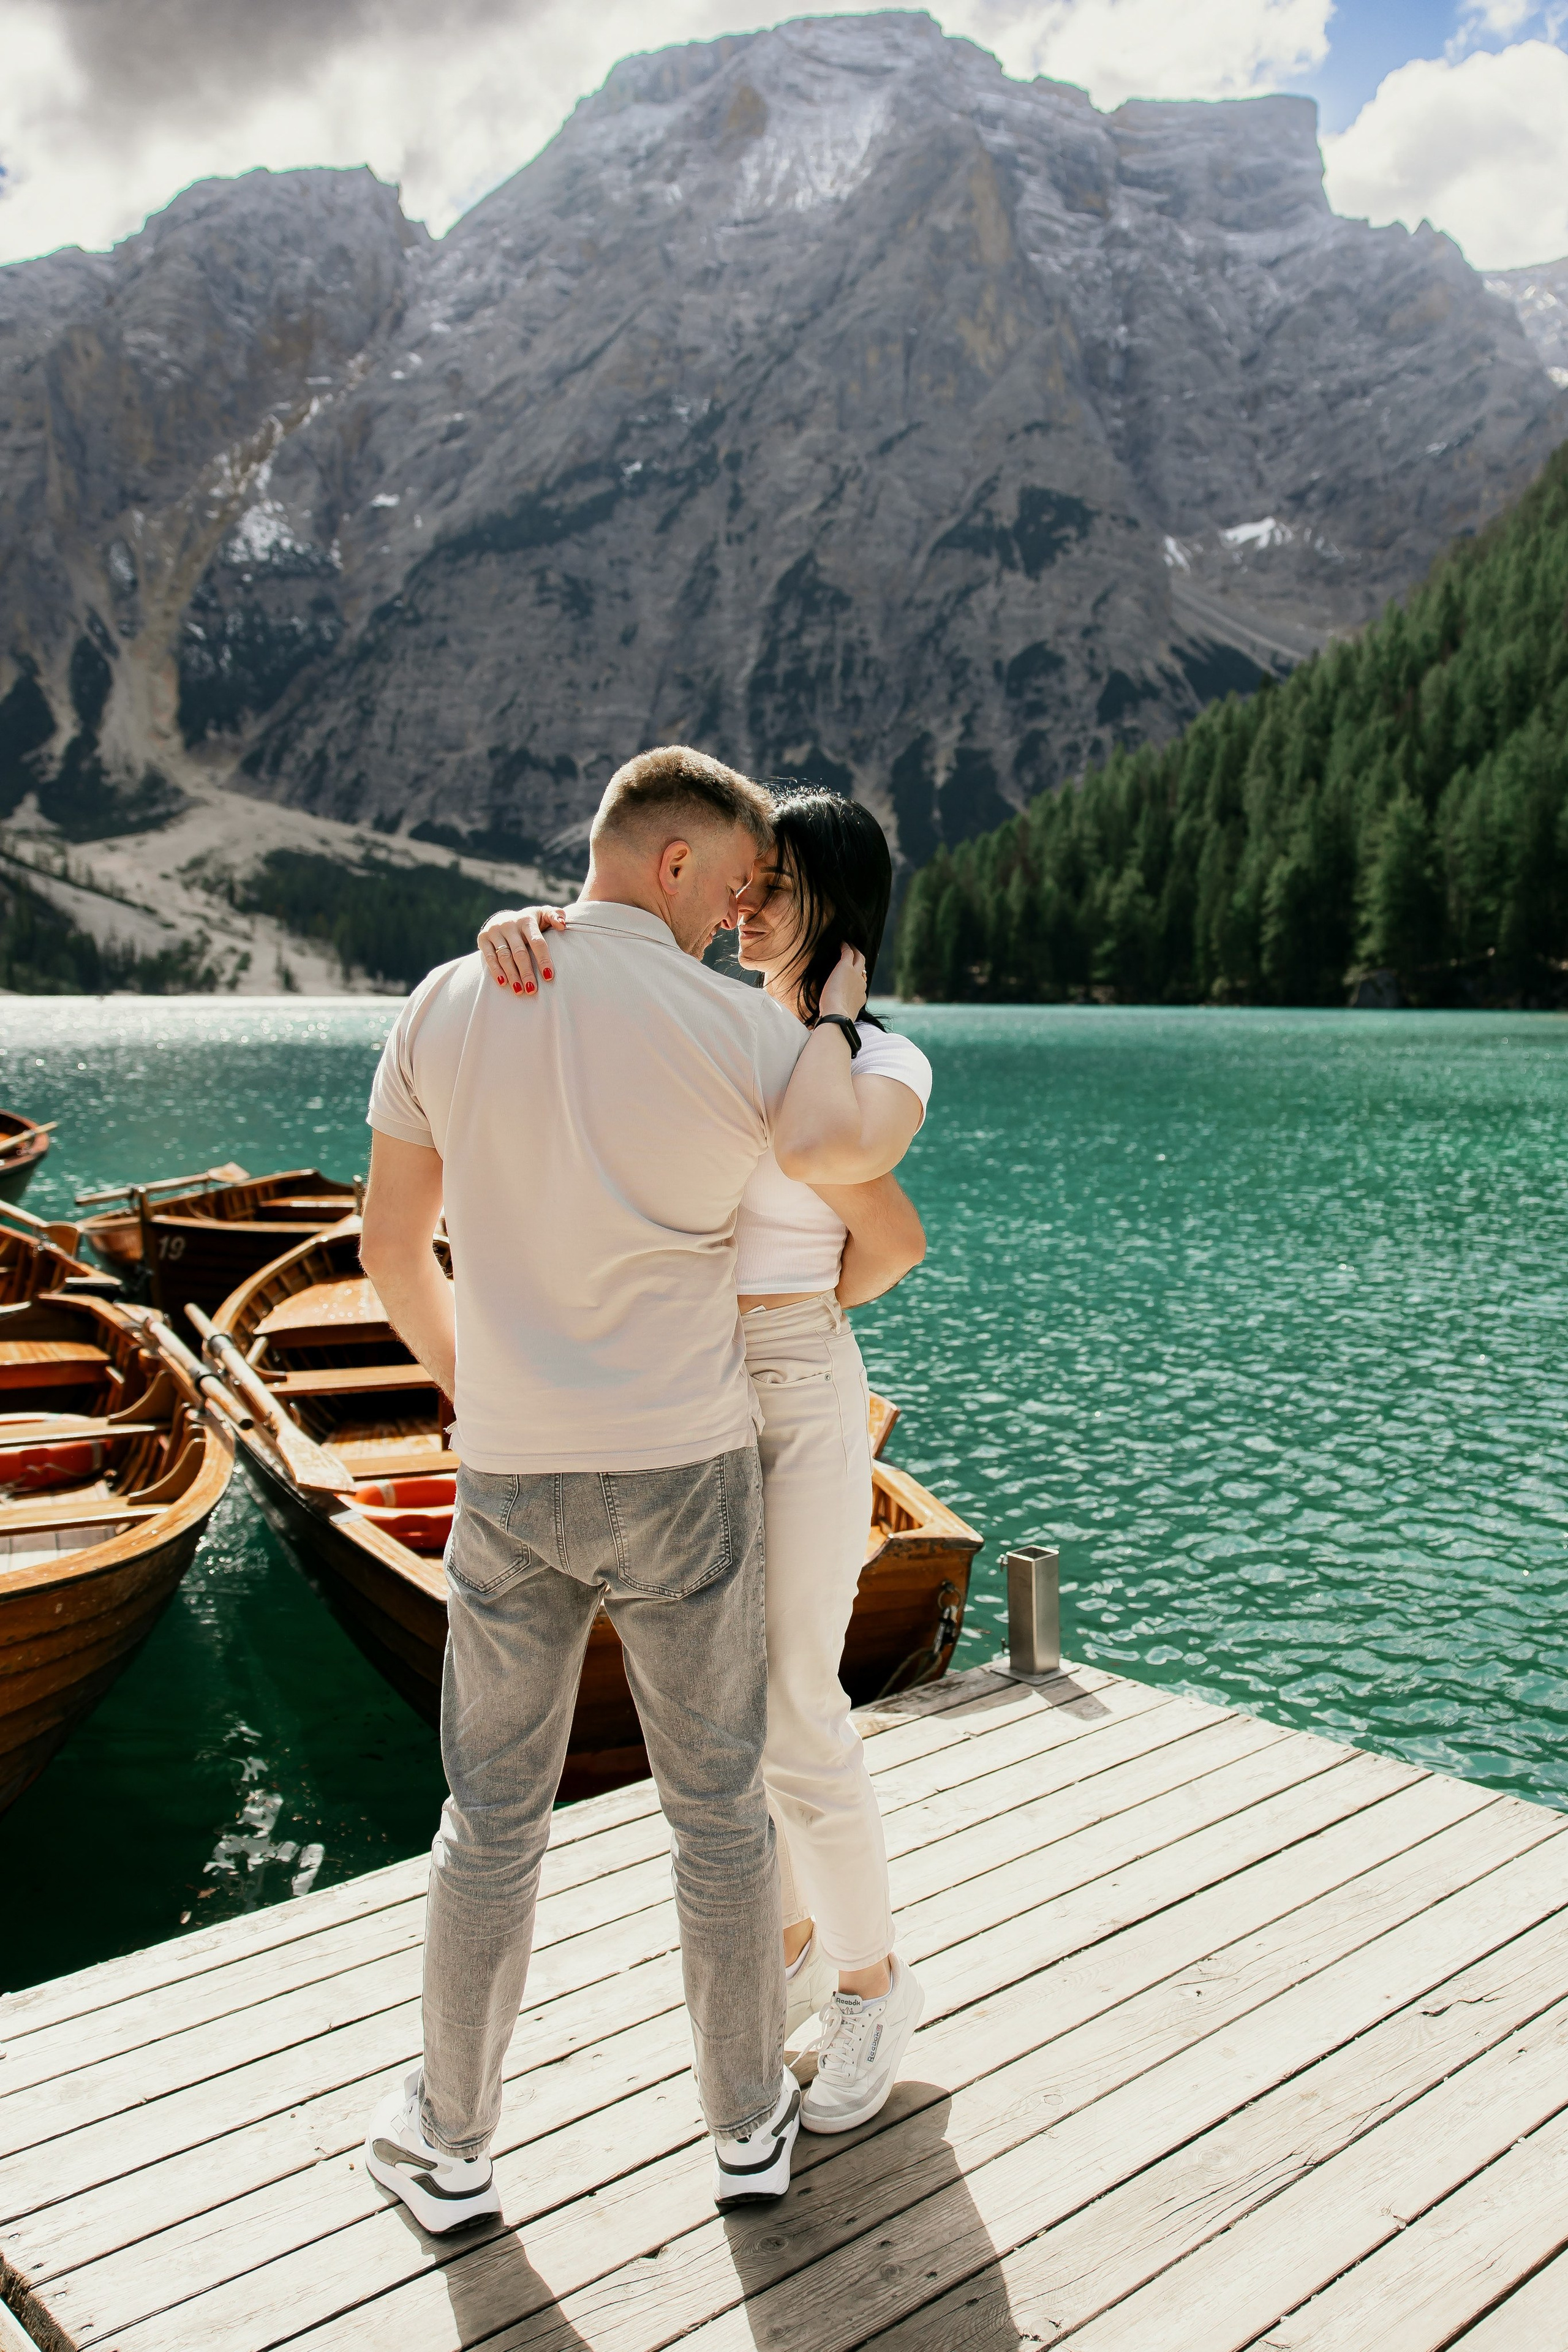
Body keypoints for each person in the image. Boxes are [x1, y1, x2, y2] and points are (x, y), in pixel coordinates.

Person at [356, 747, 870, 2233]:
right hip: (684, 1468)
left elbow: (390, 1249)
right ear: (674, 863)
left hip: (513, 1474)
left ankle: (452, 2147)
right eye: (732, 886)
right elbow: (840, 1156)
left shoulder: (448, 999)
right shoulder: (744, 1031)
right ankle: (747, 2131)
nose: (736, 918)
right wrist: (836, 1014)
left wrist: (475, 1388)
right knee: (717, 1815)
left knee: (489, 1820)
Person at [478, 785, 934, 2136]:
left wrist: (831, 1021)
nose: (743, 904)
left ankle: (871, 1981)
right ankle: (790, 1944)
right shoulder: (712, 1024)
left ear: (836, 906)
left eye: (774, 885)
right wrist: (530, 930)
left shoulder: (885, 1060)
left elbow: (841, 1179)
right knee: (729, 1708)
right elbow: (591, 1010)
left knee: (795, 1699)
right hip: (688, 1384)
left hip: (790, 1383)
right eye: (743, 880)